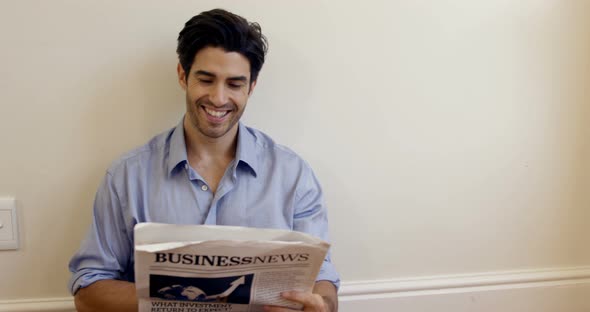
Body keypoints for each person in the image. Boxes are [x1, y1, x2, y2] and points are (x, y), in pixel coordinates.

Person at [68, 8, 339, 312]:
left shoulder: (293, 175)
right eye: (206, 79)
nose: (219, 98)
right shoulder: (127, 176)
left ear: (251, 86)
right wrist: (179, 300)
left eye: (235, 84)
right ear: (183, 75)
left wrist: (323, 307)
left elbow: (323, 278)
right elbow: (88, 289)